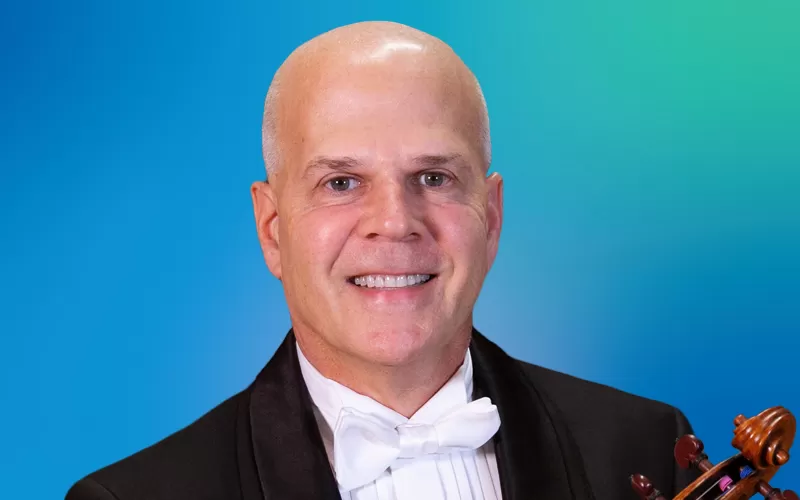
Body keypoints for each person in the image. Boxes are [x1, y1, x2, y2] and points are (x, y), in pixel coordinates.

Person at [67, 21, 698, 500]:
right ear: (273, 230)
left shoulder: (646, 448)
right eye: (341, 182)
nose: (395, 222)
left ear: (491, 216)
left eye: (433, 177)